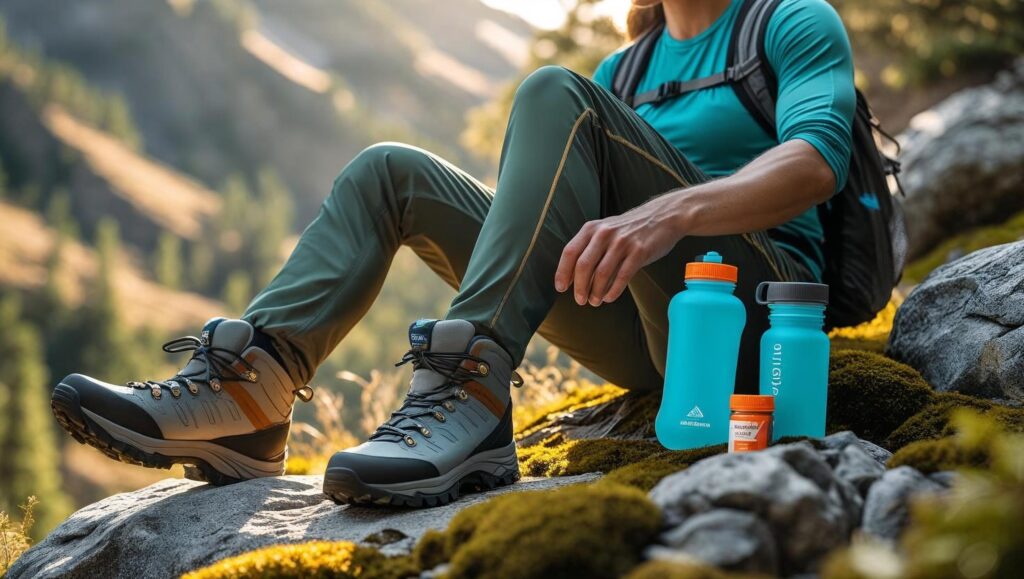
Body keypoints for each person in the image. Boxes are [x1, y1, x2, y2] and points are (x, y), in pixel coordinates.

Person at [50, 0, 854, 507]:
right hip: (653, 343)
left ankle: (471, 387)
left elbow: (818, 158)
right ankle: (250, 397)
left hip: (761, 322)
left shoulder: (786, 20)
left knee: (552, 90)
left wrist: (671, 212)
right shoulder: (628, 69)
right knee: (388, 172)